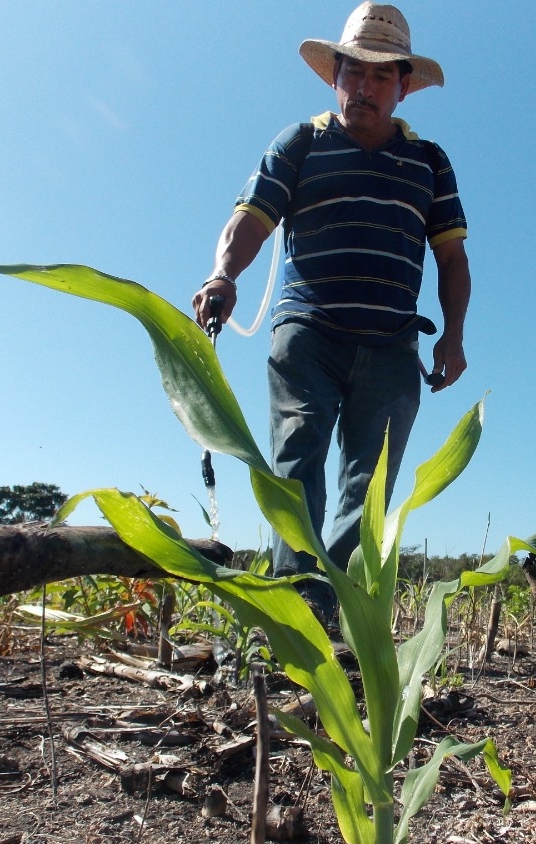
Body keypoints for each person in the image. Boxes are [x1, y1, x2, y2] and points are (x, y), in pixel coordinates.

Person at [192, 3, 471, 621]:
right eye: (353, 72)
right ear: (335, 76)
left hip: (393, 342)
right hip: (307, 332)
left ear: (403, 87)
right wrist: (223, 275)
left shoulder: (430, 163)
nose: (364, 88)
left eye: (380, 77)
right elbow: (250, 220)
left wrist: (453, 336)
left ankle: (336, 613)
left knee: (367, 485)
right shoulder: (299, 143)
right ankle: (296, 610)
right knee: (297, 460)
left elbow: (451, 260)